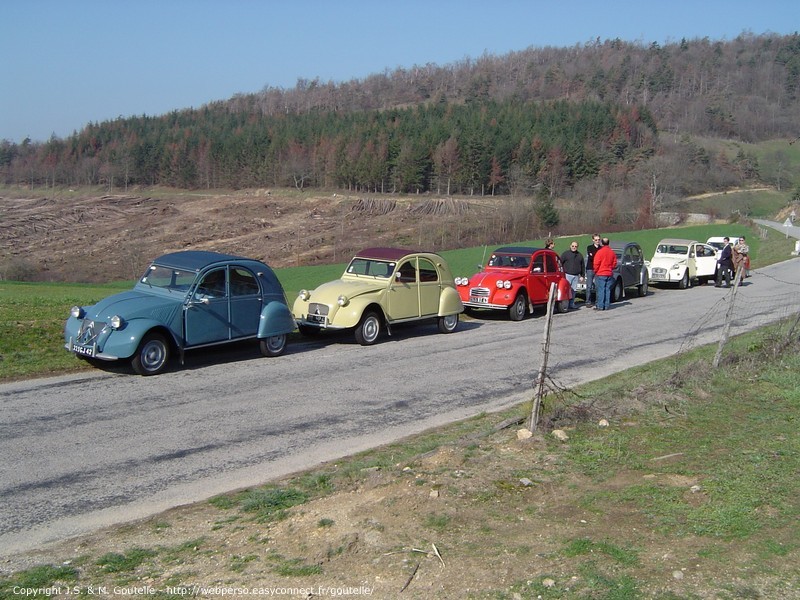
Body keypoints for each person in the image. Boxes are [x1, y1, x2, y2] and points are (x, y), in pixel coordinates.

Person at [592, 237, 617, 311]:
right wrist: (610, 268)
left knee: (601, 290)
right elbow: (614, 263)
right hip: (609, 273)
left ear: (602, 243)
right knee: (607, 289)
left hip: (601, 273)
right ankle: (606, 305)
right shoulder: (612, 252)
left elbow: (596, 263)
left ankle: (600, 306)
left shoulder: (600, 252)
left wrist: (596, 271)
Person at [560, 241, 585, 310]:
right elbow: (560, 263)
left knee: (573, 291)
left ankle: (572, 304)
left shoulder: (580, 255)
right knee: (566, 290)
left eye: (575, 246)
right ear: (570, 246)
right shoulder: (565, 254)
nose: (574, 247)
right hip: (567, 275)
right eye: (573, 246)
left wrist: (582, 275)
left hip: (576, 276)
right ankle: (565, 305)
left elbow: (582, 266)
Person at [584, 234, 602, 305]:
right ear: (593, 240)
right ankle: (588, 301)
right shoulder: (589, 247)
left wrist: (594, 255)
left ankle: (597, 301)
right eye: (596, 240)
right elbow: (591, 257)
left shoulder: (601, 248)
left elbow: (598, 257)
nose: (597, 241)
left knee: (598, 286)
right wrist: (597, 256)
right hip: (590, 268)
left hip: (598, 269)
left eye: (598, 240)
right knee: (589, 286)